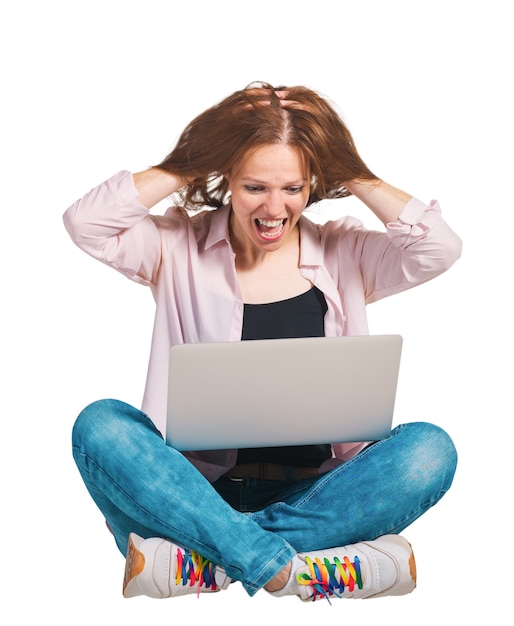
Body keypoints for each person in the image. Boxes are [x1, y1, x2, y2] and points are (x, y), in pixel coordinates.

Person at [64, 82, 462, 603]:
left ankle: (202, 563)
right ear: (227, 177)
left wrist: (354, 171)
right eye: (255, 187)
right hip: (193, 492)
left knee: (430, 450)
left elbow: (439, 249)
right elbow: (86, 223)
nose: (275, 208)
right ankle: (300, 569)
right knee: (100, 425)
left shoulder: (346, 251)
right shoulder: (173, 245)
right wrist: (190, 160)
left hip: (318, 492)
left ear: (312, 184)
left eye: (292, 188)